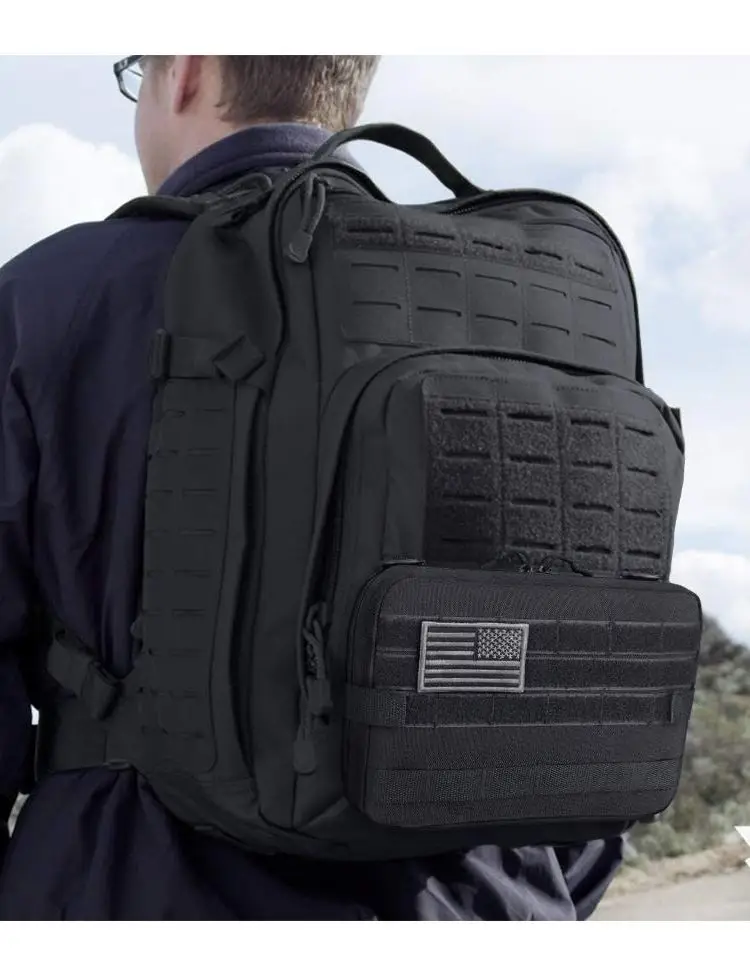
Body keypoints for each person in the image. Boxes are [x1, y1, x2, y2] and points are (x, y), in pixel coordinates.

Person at [0, 55, 624, 920]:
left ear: (186, 70)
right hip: (489, 899)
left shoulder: (51, 296)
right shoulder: (522, 305)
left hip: (131, 887)